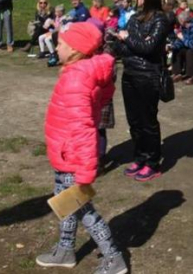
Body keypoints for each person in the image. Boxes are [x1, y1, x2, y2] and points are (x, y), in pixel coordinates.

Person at [36, 22, 127, 274]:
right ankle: (66, 250)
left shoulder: (76, 79)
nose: (56, 46)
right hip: (65, 153)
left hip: (73, 159)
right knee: (65, 205)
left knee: (83, 210)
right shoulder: (78, 71)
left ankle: (114, 258)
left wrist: (86, 172)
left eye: (61, 43)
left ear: (75, 49)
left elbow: (84, 128)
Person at [111, 0, 170, 182]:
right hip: (129, 73)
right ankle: (139, 156)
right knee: (134, 121)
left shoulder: (160, 19)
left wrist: (128, 39)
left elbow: (149, 47)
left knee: (148, 120)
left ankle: (153, 162)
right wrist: (125, 41)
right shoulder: (134, 18)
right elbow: (127, 47)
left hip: (147, 75)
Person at [171, 10, 193, 85]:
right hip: (188, 44)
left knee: (190, 52)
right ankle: (177, 73)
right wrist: (173, 46)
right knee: (177, 50)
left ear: (183, 21)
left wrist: (182, 38)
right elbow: (180, 41)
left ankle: (191, 76)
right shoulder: (183, 27)